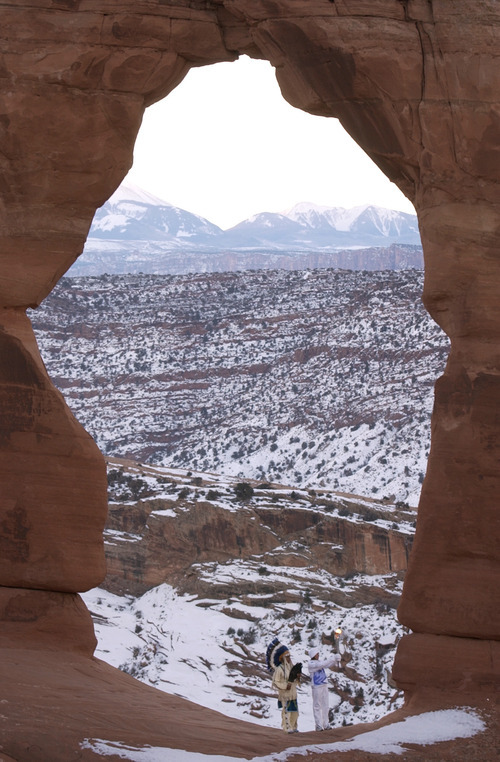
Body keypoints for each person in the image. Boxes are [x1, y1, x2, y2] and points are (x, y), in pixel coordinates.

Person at [267, 639, 300, 733]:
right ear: (283, 658)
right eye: (287, 656)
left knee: (295, 712)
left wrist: (297, 677)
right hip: (285, 694)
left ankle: (293, 726)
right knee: (287, 712)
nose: (289, 658)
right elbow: (275, 682)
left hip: (293, 693)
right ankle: (287, 728)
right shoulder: (279, 669)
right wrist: (285, 686)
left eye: (289, 656)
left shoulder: (291, 667)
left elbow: (294, 679)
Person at [307, 645, 341, 731]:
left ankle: (326, 724)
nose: (318, 655)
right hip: (316, 686)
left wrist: (336, 660)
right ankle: (318, 725)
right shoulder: (311, 664)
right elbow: (322, 664)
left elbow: (327, 665)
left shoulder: (318, 662)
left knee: (326, 705)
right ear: (313, 655)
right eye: (317, 654)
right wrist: (332, 658)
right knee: (317, 706)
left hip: (324, 685)